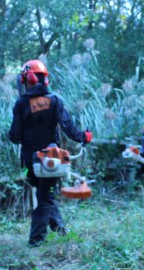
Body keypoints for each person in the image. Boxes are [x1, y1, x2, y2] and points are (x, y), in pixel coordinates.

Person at [8, 59, 92, 246]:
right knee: (46, 195)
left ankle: (40, 238)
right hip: (52, 158)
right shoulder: (55, 100)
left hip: (32, 160)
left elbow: (14, 136)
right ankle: (49, 235)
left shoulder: (21, 104)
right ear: (44, 79)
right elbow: (68, 127)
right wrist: (84, 137)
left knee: (44, 195)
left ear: (27, 79)